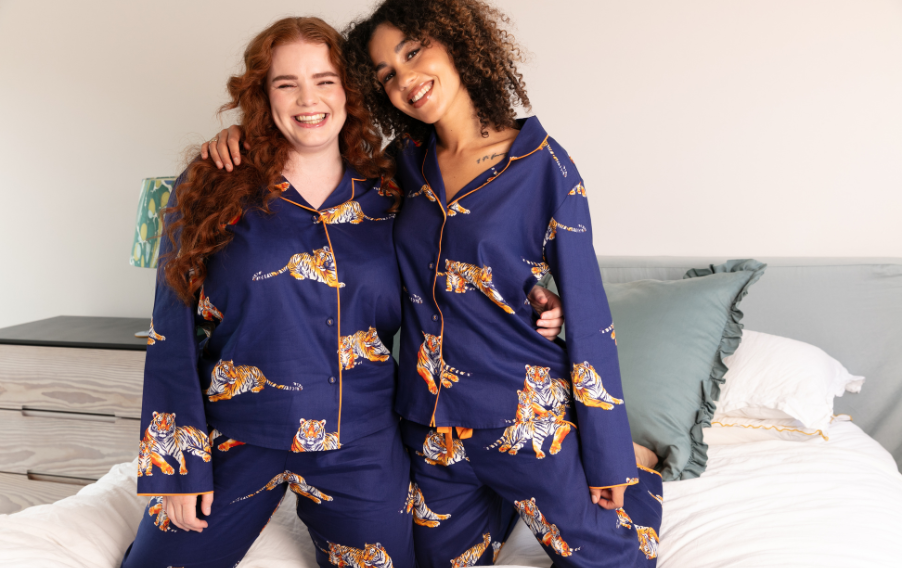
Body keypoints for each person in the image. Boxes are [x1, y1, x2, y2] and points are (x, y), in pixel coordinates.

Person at [202, 3, 661, 567]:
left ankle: (641, 470)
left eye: (413, 52)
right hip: (429, 427)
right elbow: (316, 163)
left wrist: (610, 455)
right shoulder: (399, 167)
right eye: (386, 74)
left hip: (522, 415)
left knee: (614, 560)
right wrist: (244, 134)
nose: (405, 78)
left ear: (456, 44)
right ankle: (503, 500)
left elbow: (589, 313)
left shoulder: (544, 166)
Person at [128, 14, 564, 568]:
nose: (307, 99)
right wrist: (176, 467)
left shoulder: (396, 188)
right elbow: (171, 333)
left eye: (324, 80)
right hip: (239, 433)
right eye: (286, 84)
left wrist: (537, 296)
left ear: (349, 91)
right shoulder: (212, 183)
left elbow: (458, 263)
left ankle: (500, 498)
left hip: (360, 443)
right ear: (264, 96)